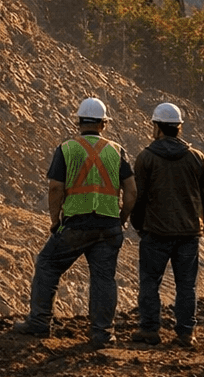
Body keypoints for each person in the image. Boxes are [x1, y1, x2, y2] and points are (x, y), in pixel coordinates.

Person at [14, 97, 136, 349]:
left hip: (76, 225)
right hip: (108, 226)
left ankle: (39, 322)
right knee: (104, 278)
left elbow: (56, 188)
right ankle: (102, 334)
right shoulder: (117, 150)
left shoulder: (67, 149)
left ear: (79, 121)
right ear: (104, 124)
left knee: (48, 265)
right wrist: (122, 218)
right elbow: (132, 191)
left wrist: (54, 220)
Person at [131, 102, 204, 349]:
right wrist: (202, 221)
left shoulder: (146, 158)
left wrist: (139, 224)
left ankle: (149, 329)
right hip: (188, 233)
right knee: (186, 285)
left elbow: (138, 196)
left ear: (157, 127)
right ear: (179, 127)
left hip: (155, 232)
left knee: (150, 281)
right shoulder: (196, 158)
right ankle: (186, 333)